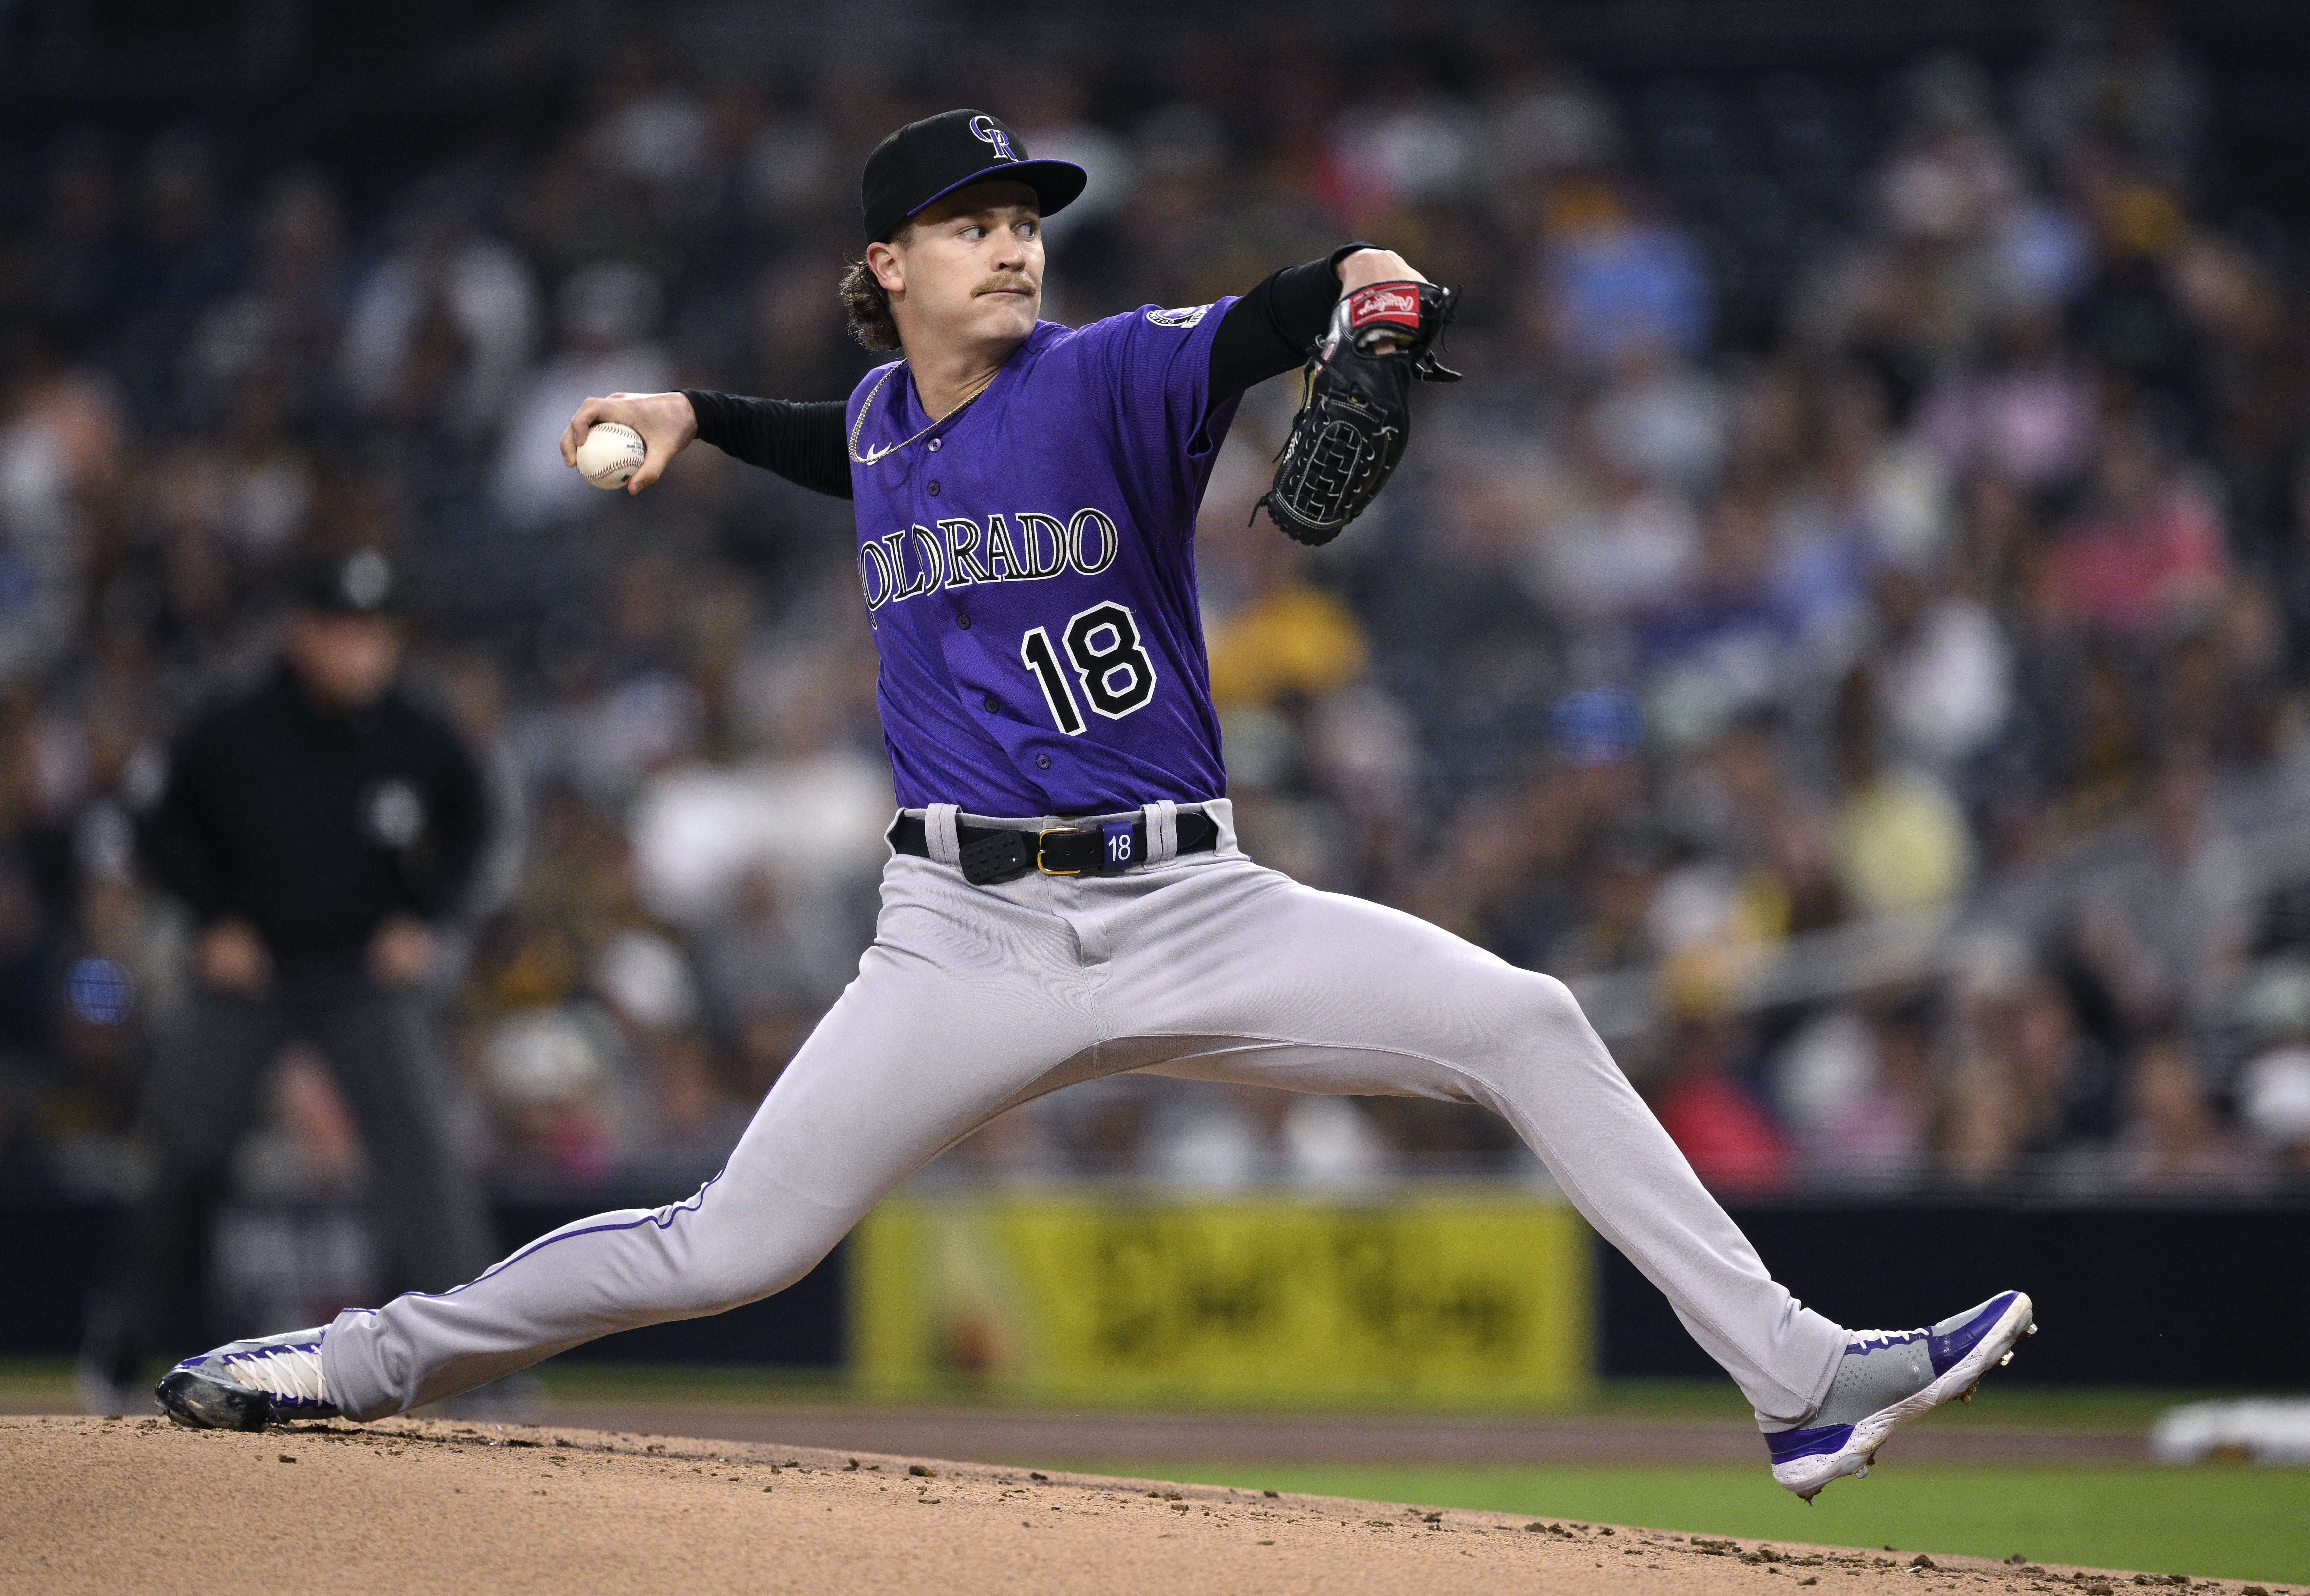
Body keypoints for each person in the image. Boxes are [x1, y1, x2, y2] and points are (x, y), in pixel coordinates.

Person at [156, 109, 2033, 1501]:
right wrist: (691, 414)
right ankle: (355, 1363)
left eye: (1025, 219)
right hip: (961, 934)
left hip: (1197, 906)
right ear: (885, 266)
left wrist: (1378, 295)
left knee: (1530, 1022)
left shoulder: (1118, 375)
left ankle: (1796, 1376)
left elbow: (1316, 297)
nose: (1013, 246)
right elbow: (829, 442)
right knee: (733, 1247)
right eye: (968, 224)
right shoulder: (889, 423)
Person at [84, 548, 495, 1408]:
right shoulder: (232, 722)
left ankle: (482, 1366)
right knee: (185, 1152)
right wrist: (212, 921)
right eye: (346, 632)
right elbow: (157, 827)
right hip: (252, 976)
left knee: (423, 1157)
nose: (364, 652)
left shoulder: (416, 727)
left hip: (359, 979)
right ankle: (122, 1351)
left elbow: (476, 824)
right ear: (303, 634)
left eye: (376, 633)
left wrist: (425, 918)